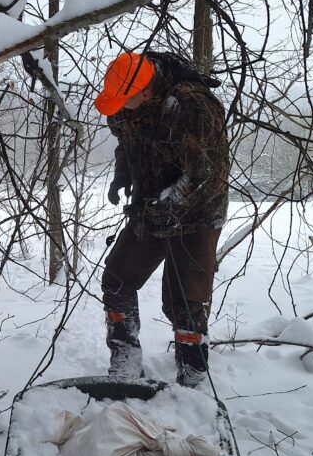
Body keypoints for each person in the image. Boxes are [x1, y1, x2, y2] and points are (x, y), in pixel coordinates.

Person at [94, 50, 229, 386]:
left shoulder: (193, 106)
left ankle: (192, 376)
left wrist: (167, 208)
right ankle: (125, 359)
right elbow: (125, 146)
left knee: (184, 300)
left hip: (197, 214)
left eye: (125, 101)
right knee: (117, 280)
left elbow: (207, 176)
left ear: (147, 92)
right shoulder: (124, 107)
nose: (119, 109)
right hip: (149, 205)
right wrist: (122, 177)